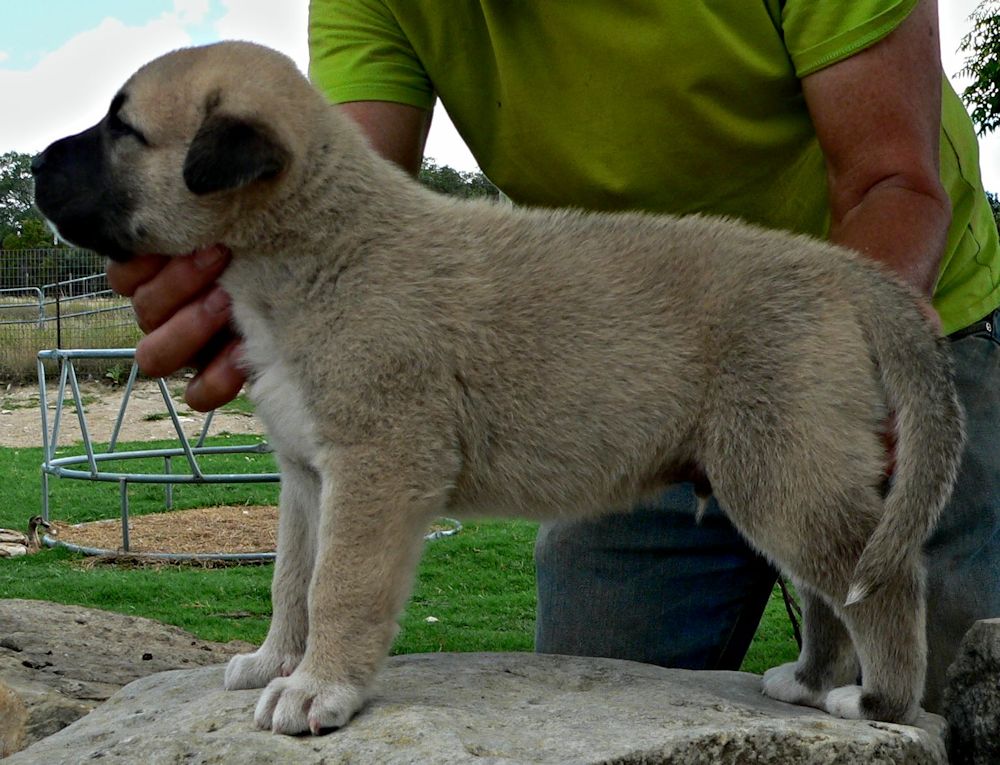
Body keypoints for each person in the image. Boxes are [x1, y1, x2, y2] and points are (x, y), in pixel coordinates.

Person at [109, 0, 1000, 712]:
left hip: (872, 300)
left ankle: (877, 670)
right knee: (598, 689)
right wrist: (249, 282)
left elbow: (892, 177)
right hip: (596, 352)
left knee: (965, 695)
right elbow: (335, 200)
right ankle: (831, 660)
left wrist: (830, 372)